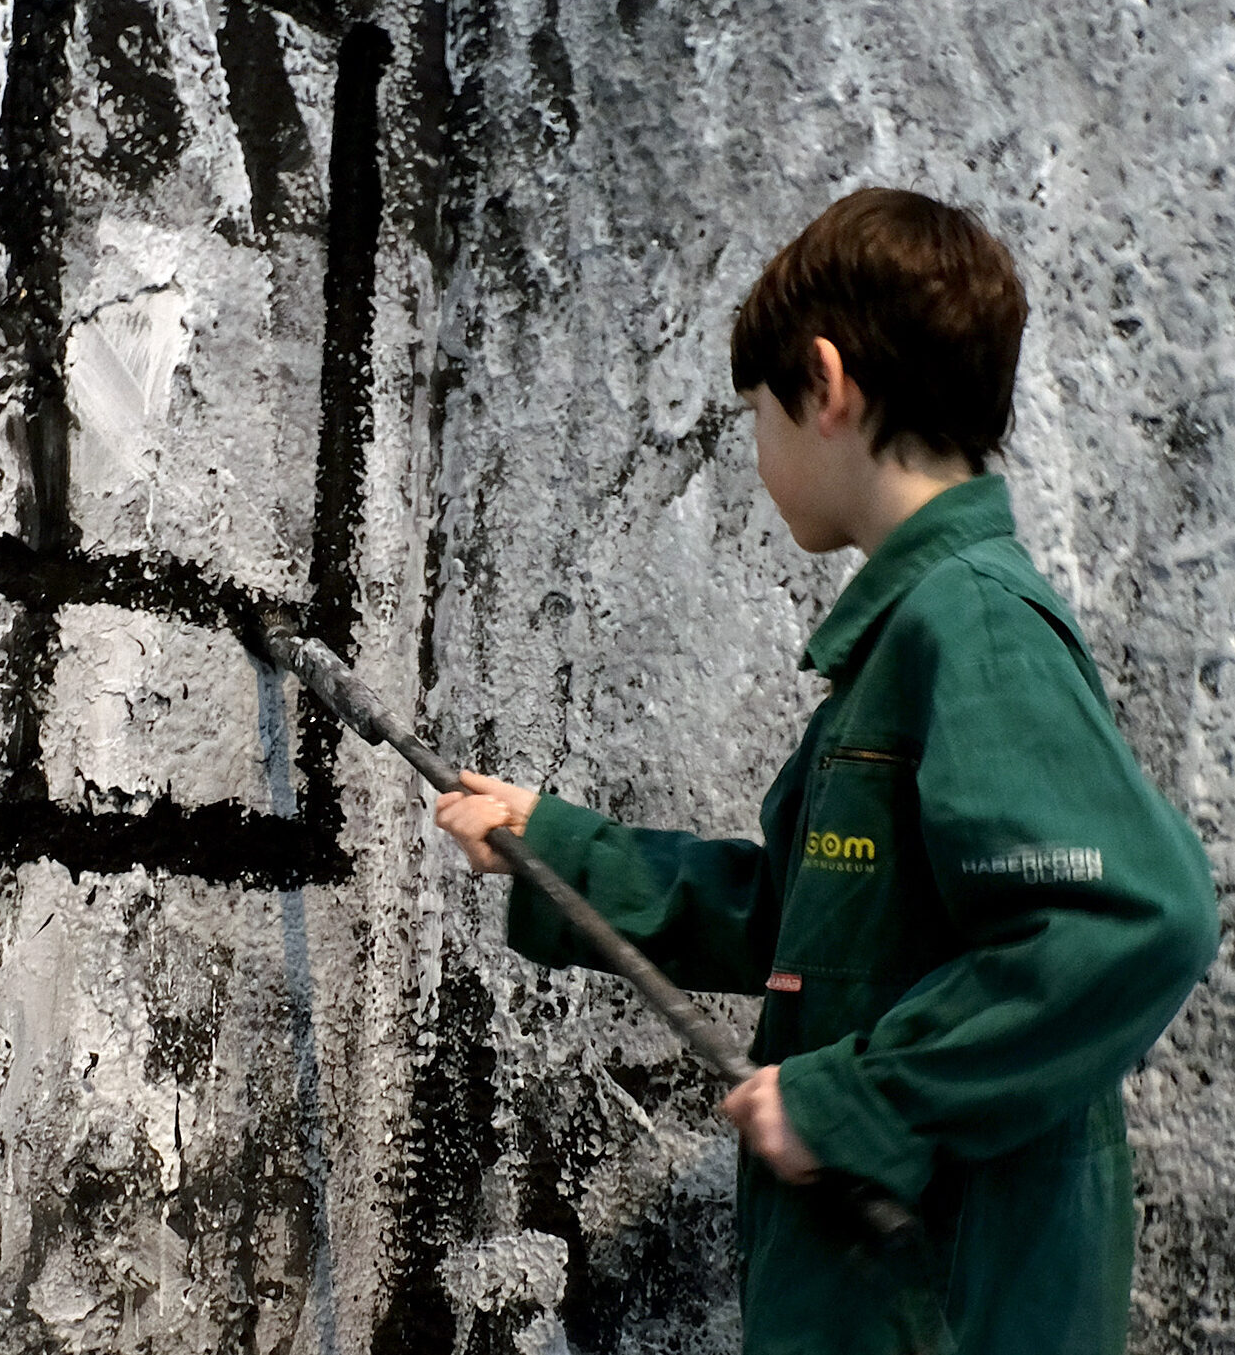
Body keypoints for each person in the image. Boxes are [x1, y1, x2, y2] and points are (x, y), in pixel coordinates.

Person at [435, 188, 1221, 1355]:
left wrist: (856, 1101)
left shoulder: (974, 627)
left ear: (825, 384)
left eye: (756, 414)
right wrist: (561, 850)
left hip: (947, 1306)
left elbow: (1132, 918)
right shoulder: (913, 638)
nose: (756, 456)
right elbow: (819, 933)